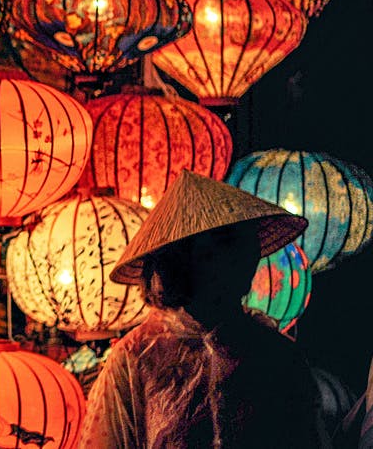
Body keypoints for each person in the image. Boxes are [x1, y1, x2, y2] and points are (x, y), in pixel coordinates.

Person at [81, 171, 329, 448]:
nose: (243, 266)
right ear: (178, 266)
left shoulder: (276, 353)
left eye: (243, 252)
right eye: (215, 256)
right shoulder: (136, 356)